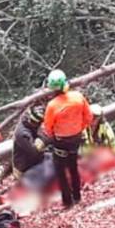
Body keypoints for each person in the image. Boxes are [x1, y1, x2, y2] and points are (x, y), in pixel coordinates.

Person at [40, 69, 93, 208]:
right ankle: (77, 196)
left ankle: (67, 201)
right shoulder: (78, 97)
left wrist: (53, 137)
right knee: (73, 167)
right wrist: (79, 128)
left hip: (60, 141)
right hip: (75, 138)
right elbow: (88, 117)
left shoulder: (52, 106)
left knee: (61, 171)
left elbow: (48, 127)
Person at [11, 105, 50, 191]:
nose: (37, 125)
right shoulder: (23, 134)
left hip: (30, 160)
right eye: (36, 123)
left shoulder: (29, 125)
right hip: (24, 167)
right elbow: (34, 151)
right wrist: (46, 140)